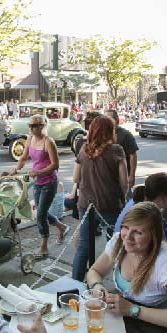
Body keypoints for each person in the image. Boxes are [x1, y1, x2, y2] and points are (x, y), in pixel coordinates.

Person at [85, 202, 167, 329]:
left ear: (154, 236)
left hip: (159, 330)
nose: (127, 237)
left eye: (138, 232)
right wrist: (97, 286)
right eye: (125, 227)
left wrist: (132, 310)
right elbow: (94, 271)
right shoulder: (118, 242)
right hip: (128, 324)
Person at [71, 115, 128, 280]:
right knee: (116, 245)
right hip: (110, 204)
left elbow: (75, 178)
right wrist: (123, 199)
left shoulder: (84, 149)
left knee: (83, 247)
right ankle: (122, 282)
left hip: (85, 204)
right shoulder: (117, 150)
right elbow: (124, 183)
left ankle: (75, 285)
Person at [9, 114, 68, 258]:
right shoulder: (29, 139)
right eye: (29, 125)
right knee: (41, 212)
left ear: (42, 126)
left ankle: (44, 246)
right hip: (37, 181)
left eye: (34, 126)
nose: (30, 128)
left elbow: (55, 165)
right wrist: (16, 168)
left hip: (49, 182)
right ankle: (61, 226)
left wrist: (38, 172)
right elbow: (23, 158)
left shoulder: (48, 142)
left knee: (40, 214)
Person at [106, 108, 139, 190]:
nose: (106, 121)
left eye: (109, 118)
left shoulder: (126, 135)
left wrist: (131, 176)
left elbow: (133, 156)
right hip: (108, 177)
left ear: (116, 119)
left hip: (122, 176)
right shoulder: (104, 134)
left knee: (125, 199)